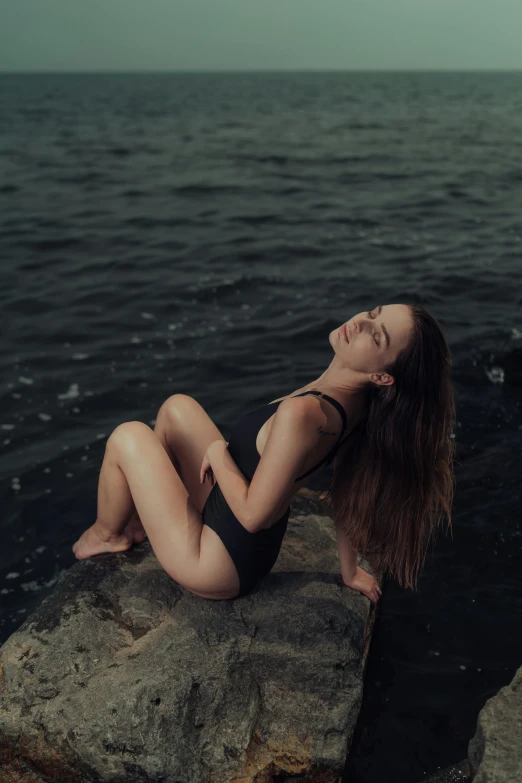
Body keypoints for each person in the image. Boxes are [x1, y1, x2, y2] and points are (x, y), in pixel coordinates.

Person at [72, 303, 456, 605]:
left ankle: (108, 534)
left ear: (382, 377)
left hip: (217, 563)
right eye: (373, 313)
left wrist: (218, 455)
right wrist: (349, 572)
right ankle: (143, 518)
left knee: (128, 435)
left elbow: (256, 516)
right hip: (244, 544)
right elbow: (346, 494)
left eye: (377, 336)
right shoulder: (356, 407)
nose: (360, 323)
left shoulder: (306, 414)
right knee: (177, 408)